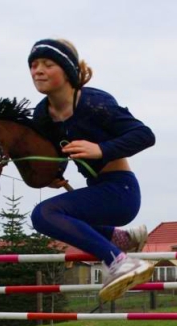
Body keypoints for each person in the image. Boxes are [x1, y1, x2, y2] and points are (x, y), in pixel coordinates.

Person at [27, 38, 156, 301]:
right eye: (33, 65)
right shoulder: (42, 115)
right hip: (96, 192)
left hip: (120, 191)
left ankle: (120, 262)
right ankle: (120, 238)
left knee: (43, 213)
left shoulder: (94, 103)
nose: (37, 70)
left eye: (47, 64)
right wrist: (53, 174)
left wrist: (101, 149)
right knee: (55, 219)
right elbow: (55, 153)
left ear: (67, 71)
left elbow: (144, 135)